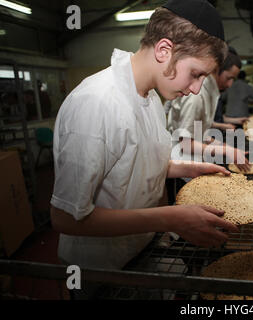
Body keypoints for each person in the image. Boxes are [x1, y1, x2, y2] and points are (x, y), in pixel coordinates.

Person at [50, 0, 239, 283]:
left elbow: (137, 163)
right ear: (165, 50)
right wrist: (170, 218)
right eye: (196, 74)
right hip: (101, 270)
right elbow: (66, 217)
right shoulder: (97, 103)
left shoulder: (149, 98)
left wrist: (189, 169)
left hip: (138, 250)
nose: (197, 88)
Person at [167, 47, 250, 171]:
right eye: (229, 78)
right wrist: (225, 150)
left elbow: (201, 135)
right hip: (181, 167)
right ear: (216, 70)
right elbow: (185, 144)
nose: (230, 84)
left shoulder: (209, 93)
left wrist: (227, 147)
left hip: (193, 164)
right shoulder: (196, 95)